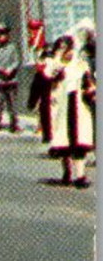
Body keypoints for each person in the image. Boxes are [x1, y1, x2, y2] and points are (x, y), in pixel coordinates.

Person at [42, 35, 95, 188]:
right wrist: (57, 59)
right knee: (64, 142)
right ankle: (67, 171)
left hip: (79, 105)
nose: (68, 53)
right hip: (61, 106)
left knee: (79, 142)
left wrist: (91, 90)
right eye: (64, 49)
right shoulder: (54, 65)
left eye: (70, 49)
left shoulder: (80, 64)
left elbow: (89, 82)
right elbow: (47, 76)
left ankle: (80, 176)